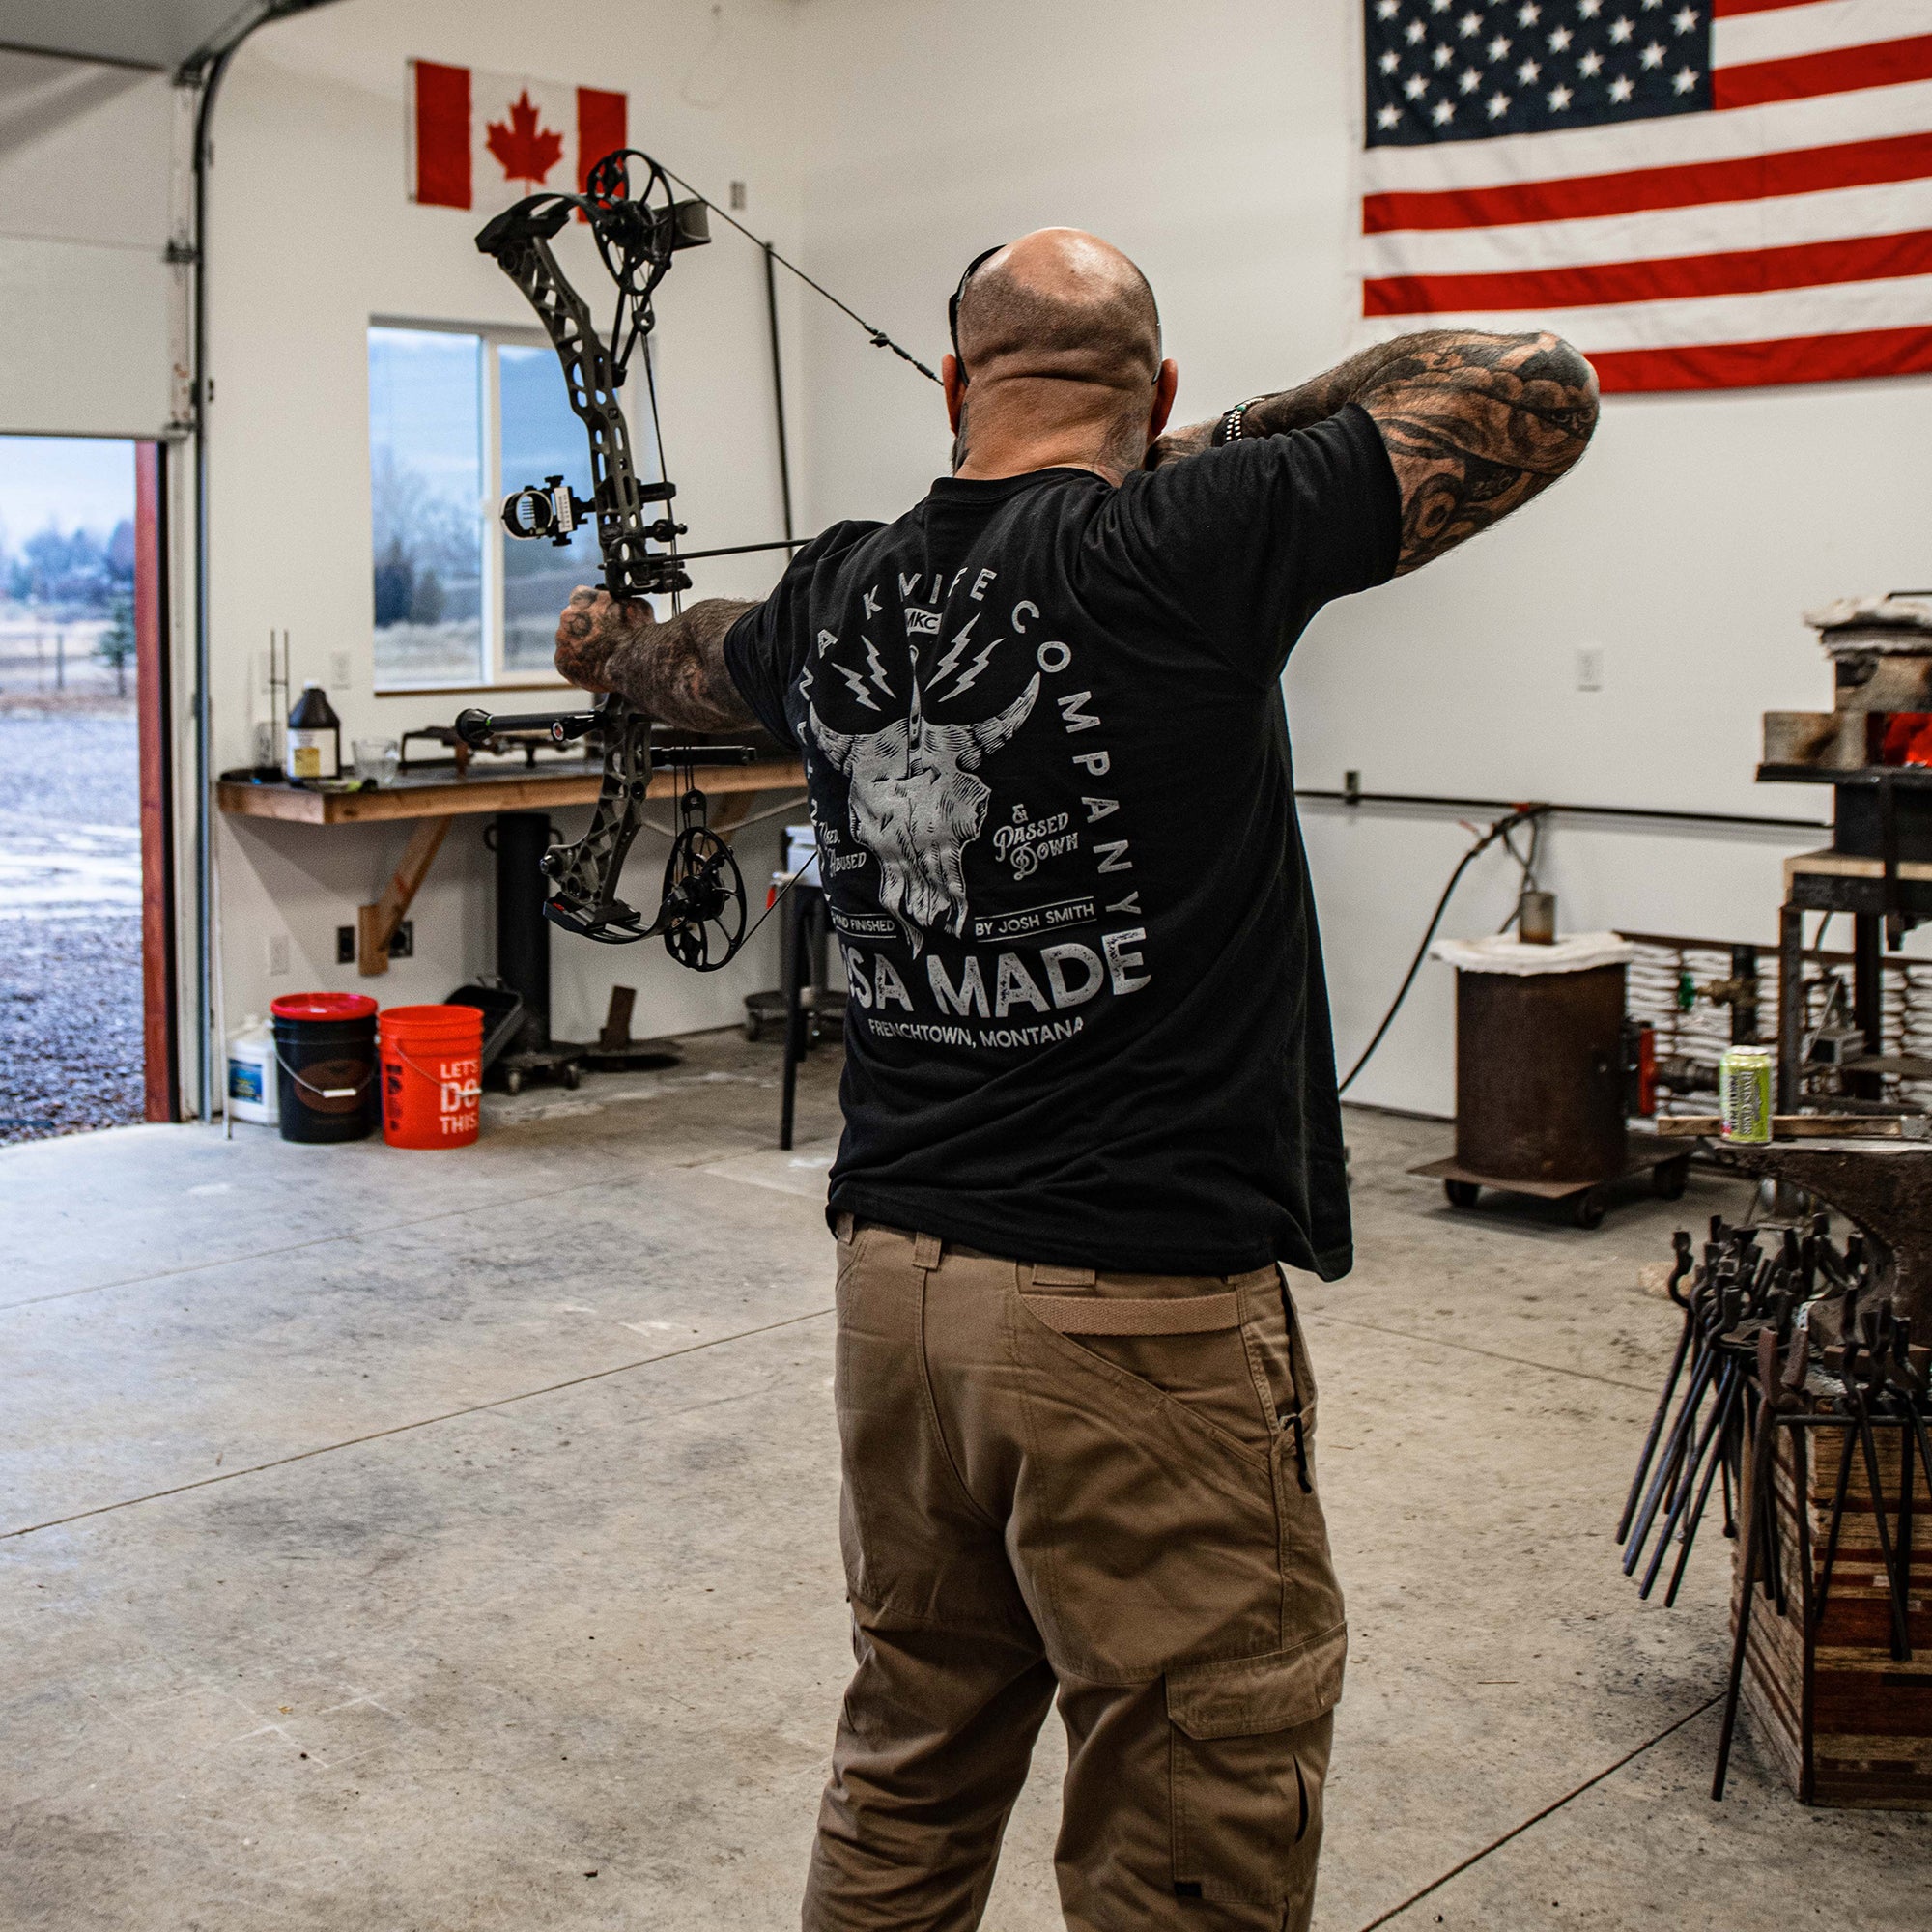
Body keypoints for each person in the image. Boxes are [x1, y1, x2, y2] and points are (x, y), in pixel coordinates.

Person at [554, 228, 1598, 1932]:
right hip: (1138, 1309)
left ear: (952, 387)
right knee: (1195, 1795)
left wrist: (605, 643)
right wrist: (1220, 440)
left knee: (911, 1752)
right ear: (1157, 391)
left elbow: (693, 659)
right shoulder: (1186, 537)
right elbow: (1536, 381)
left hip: (899, 1297)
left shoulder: (841, 591)